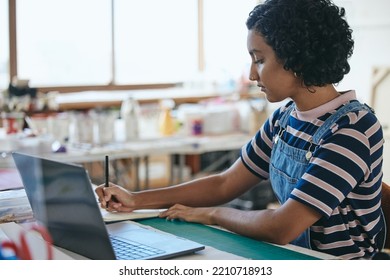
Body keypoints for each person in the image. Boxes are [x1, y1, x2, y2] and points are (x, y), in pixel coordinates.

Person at [96, 0, 386, 260]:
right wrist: (136, 198)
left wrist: (212, 215)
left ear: (297, 59)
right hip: (293, 255)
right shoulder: (284, 119)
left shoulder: (352, 130)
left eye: (260, 59)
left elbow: (281, 227)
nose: (251, 74)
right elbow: (224, 184)